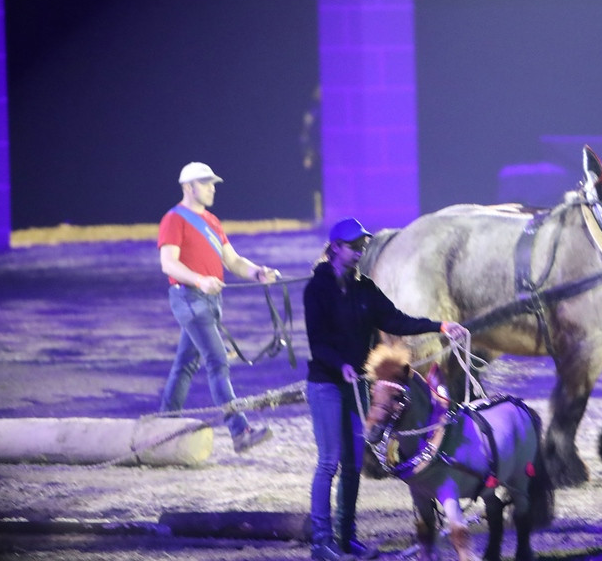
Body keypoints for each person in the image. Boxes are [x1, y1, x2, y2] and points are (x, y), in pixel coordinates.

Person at [303, 217, 463, 561]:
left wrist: (440, 325)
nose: (359, 251)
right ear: (335, 249)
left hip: (356, 386)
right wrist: (340, 364)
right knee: (329, 462)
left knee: (352, 464)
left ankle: (346, 538)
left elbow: (396, 320)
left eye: (362, 245)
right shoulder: (316, 290)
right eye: (353, 246)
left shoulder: (365, 290)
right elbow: (317, 342)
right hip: (326, 385)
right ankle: (321, 541)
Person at [158, 162, 278, 453]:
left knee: (186, 364)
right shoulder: (174, 219)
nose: (213, 188)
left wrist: (256, 272)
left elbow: (233, 260)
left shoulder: (211, 220)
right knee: (217, 362)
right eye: (206, 183)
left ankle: (163, 423)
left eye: (212, 183)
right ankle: (240, 431)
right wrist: (200, 280)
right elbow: (168, 263)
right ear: (189, 188)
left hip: (210, 301)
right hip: (190, 298)